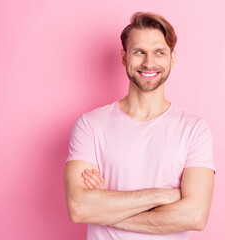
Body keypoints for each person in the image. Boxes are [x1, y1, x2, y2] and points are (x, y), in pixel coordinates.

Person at [63, 11, 216, 240]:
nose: (149, 62)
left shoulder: (194, 129)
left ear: (171, 58)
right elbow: (79, 208)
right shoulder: (90, 125)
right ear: (124, 57)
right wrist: (163, 196)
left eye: (159, 52)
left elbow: (195, 215)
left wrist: (105, 209)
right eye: (139, 52)